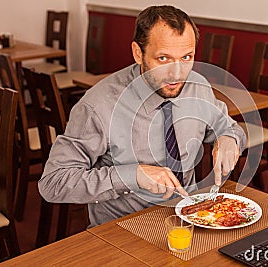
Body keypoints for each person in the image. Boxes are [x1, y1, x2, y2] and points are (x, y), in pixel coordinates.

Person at [38, 5, 246, 227]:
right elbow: (53, 183)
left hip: (191, 220)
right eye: (164, 58)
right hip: (123, 229)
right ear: (138, 53)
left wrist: (228, 139)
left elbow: (231, 128)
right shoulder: (99, 105)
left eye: (186, 57)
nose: (177, 73)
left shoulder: (198, 87)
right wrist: (132, 176)